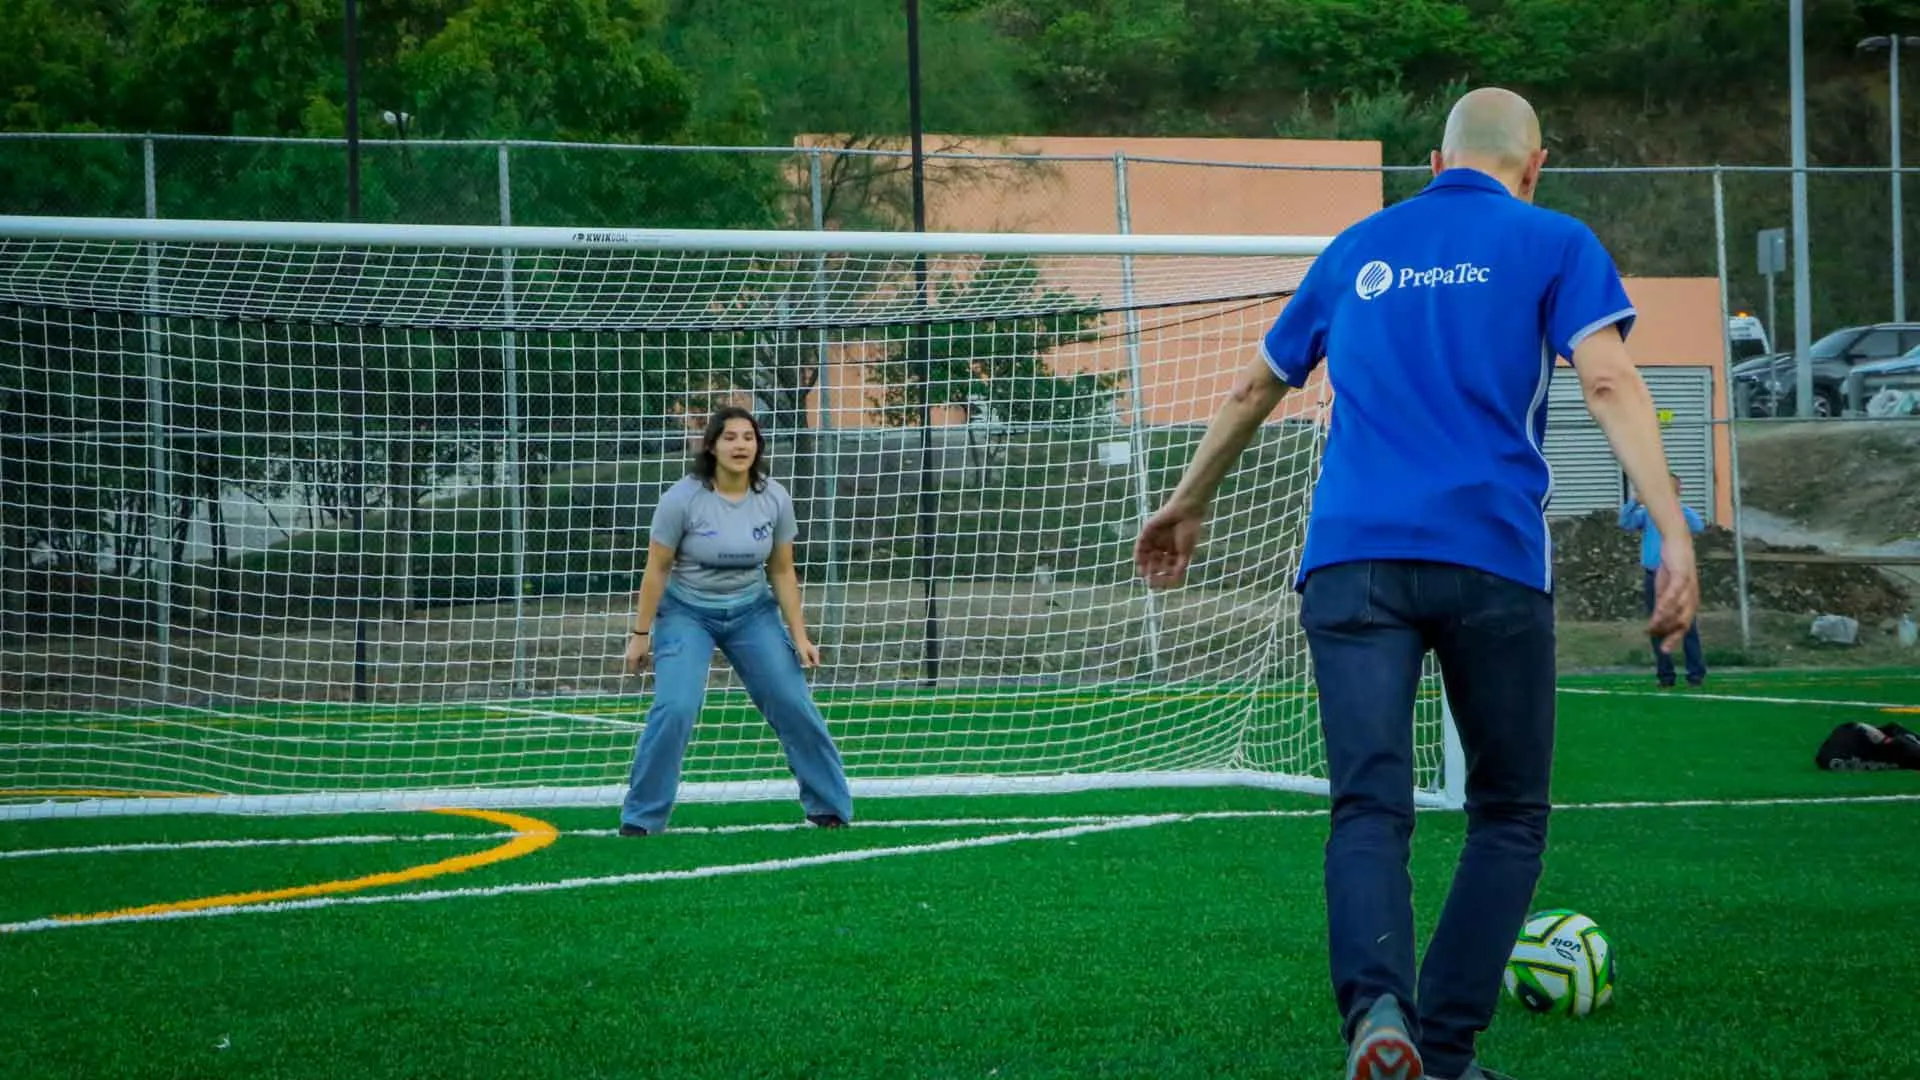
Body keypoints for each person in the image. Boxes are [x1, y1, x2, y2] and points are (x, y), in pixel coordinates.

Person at [1134, 87, 1698, 1080]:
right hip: (1489, 561)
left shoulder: (1356, 249)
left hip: (1350, 564)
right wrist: (1668, 523)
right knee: (1510, 812)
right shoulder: (1553, 240)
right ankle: (1443, 1051)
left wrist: (1185, 502)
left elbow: (1251, 386)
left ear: (1433, 165)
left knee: (1368, 806)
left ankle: (1376, 1014)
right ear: (1536, 164)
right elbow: (1607, 380)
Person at [618, 404, 854, 836]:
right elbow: (657, 569)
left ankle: (830, 807)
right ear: (711, 446)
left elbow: (782, 571)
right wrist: (639, 635)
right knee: (675, 708)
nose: (740, 445)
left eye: (748, 437)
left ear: (758, 446)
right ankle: (642, 818)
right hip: (687, 614)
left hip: (752, 613)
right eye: (729, 437)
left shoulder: (774, 498)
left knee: (793, 701)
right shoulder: (681, 499)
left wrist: (800, 636)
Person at [1619, 474, 1708, 687]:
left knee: (1686, 626)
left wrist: (1675, 509)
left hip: (1677, 576)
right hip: (1653, 576)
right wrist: (1635, 502)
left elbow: (1698, 526)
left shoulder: (1682, 514)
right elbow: (1625, 523)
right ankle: (1665, 675)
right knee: (1658, 625)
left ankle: (1695, 674)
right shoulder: (1648, 514)